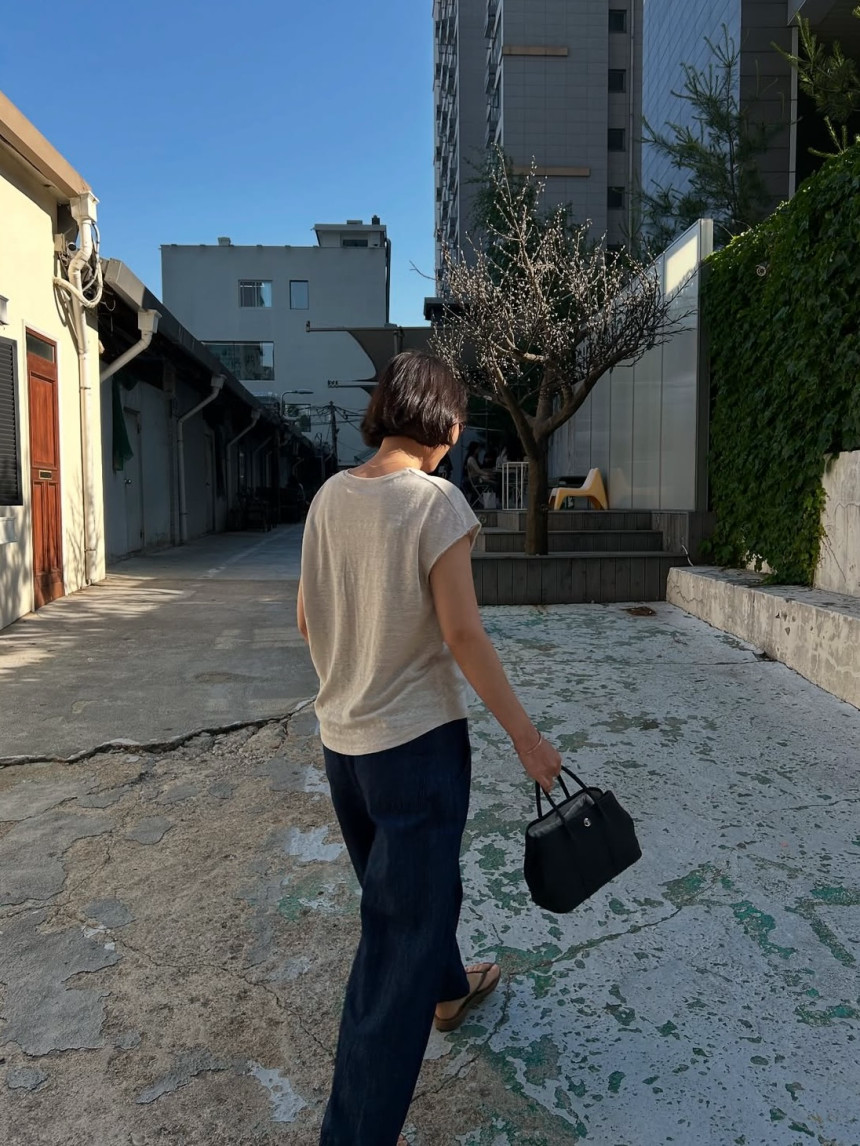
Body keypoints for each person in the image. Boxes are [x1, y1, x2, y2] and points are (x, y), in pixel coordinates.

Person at [297, 351, 562, 1146]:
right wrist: (527, 738)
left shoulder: (328, 497)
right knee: (393, 951)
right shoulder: (435, 501)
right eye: (459, 421)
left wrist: (355, 669)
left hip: (344, 748)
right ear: (443, 421)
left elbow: (307, 620)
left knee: (409, 901)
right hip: (417, 749)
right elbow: (462, 633)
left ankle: (449, 990)